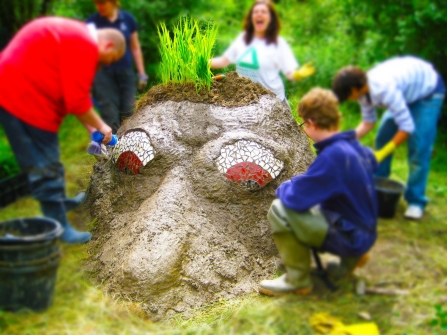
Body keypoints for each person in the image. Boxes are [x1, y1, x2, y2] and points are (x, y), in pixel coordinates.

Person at [0, 17, 125, 244]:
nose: (106, 65)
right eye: (111, 59)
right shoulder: (84, 44)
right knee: (43, 165)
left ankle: (59, 204)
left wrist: (91, 128)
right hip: (20, 100)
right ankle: (59, 228)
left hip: (23, 93)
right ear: (108, 46)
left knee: (49, 159)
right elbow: (76, 101)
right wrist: (101, 126)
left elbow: (75, 95)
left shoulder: (76, 39)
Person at [259, 88, 378, 296]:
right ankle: (351, 260)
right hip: (364, 228)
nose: (304, 129)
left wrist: (284, 186)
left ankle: (297, 280)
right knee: (319, 203)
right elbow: (330, 181)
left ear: (312, 122)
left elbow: (296, 200)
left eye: (303, 124)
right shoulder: (353, 146)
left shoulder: (333, 156)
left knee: (279, 209)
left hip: (351, 235)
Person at [332, 56, 445, 220]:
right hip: (405, 93)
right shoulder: (363, 92)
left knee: (419, 147)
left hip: (428, 92)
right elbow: (368, 121)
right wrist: (346, 138)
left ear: (355, 88)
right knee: (383, 136)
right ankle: (378, 187)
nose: (347, 99)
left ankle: (416, 201)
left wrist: (384, 152)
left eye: (346, 94)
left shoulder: (384, 89)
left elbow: (406, 128)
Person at [210, 0, 315, 103]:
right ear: (251, 18)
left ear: (271, 18)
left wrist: (297, 74)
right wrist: (203, 62)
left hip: (274, 102)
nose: (259, 14)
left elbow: (289, 73)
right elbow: (224, 61)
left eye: (264, 12)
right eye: (256, 12)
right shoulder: (242, 39)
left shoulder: (278, 43)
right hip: (246, 100)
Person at [87, 0, 148, 133]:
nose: (99, 7)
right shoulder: (92, 22)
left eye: (102, 3)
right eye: (96, 3)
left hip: (125, 72)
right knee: (109, 112)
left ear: (113, 2)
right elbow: (89, 52)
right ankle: (112, 148)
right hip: (102, 74)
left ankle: (131, 146)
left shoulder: (127, 19)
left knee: (129, 110)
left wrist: (142, 73)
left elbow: (135, 48)